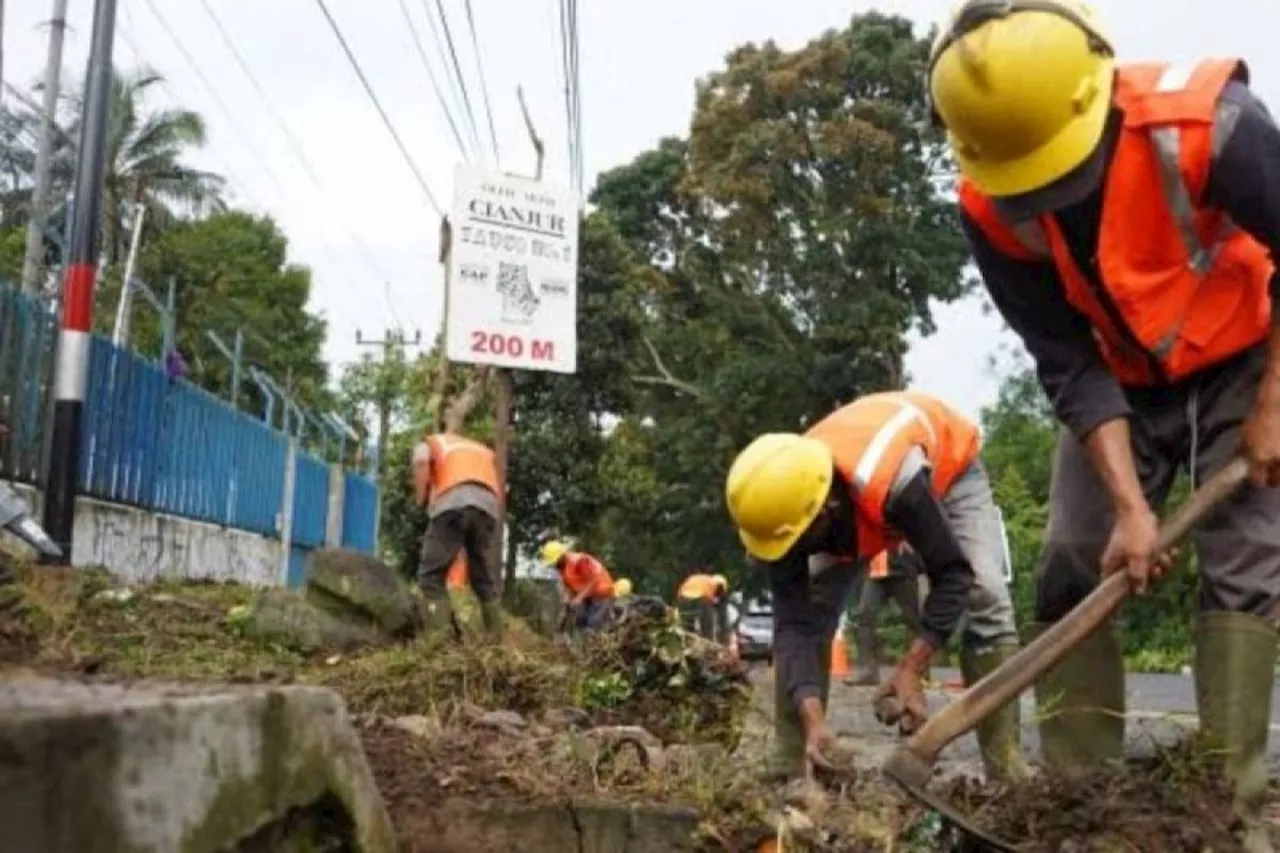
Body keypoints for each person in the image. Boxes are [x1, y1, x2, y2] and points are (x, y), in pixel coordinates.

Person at [929, 1, 1280, 846]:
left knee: (1244, 562)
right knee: (1070, 560)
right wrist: (1129, 506)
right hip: (1120, 381)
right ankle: (1078, 807)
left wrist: (1273, 405)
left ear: (1098, 97)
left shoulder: (1211, 125)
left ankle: (1227, 811)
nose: (1044, 197)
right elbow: (1067, 363)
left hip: (1245, 354)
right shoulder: (987, 207)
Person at [725, 390, 1025, 781]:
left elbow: (953, 573)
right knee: (811, 606)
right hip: (858, 500)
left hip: (948, 470)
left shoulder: (892, 480)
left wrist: (912, 669)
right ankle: (790, 759)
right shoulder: (783, 505)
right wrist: (813, 720)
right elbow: (793, 627)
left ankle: (1005, 769)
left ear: (825, 511)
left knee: (985, 592)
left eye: (800, 541)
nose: (793, 554)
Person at [411, 431, 504, 638]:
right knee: (482, 577)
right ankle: (498, 641)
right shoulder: (479, 448)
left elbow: (420, 460)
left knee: (430, 576)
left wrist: (421, 498)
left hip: (453, 504)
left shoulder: (431, 442)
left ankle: (441, 643)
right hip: (488, 508)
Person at [848, 543, 925, 687]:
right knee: (865, 616)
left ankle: (919, 671)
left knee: (914, 621)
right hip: (876, 569)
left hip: (903, 569)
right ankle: (868, 672)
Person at [540, 540, 616, 632]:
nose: (554, 564)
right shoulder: (562, 567)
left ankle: (597, 638)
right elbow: (567, 584)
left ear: (561, 556)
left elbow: (593, 580)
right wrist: (567, 598)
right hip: (588, 594)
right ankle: (580, 640)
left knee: (593, 624)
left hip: (602, 593)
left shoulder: (579, 561)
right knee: (580, 620)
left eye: (554, 561)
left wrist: (579, 597)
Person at [677, 572, 732, 643]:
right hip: (696, 595)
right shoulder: (713, 585)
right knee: (707, 620)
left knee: (686, 624)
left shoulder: (705, 580)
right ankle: (707, 641)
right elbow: (718, 614)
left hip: (682, 596)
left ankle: (686, 640)